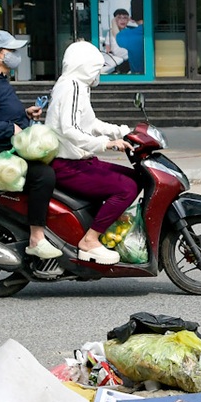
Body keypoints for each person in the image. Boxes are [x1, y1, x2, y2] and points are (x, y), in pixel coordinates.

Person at [0, 29, 60, 260]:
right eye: (12, 50)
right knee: (43, 175)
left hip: (8, 149)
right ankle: (36, 238)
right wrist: (10, 128)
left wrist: (25, 114)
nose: (16, 55)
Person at [46, 39, 140, 265]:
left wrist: (123, 131)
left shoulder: (76, 85)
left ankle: (101, 225)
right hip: (67, 165)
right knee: (127, 188)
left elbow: (90, 123)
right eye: (96, 68)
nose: (98, 73)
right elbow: (70, 129)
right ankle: (90, 240)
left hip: (81, 160)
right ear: (85, 65)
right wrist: (106, 144)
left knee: (136, 178)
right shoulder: (71, 86)